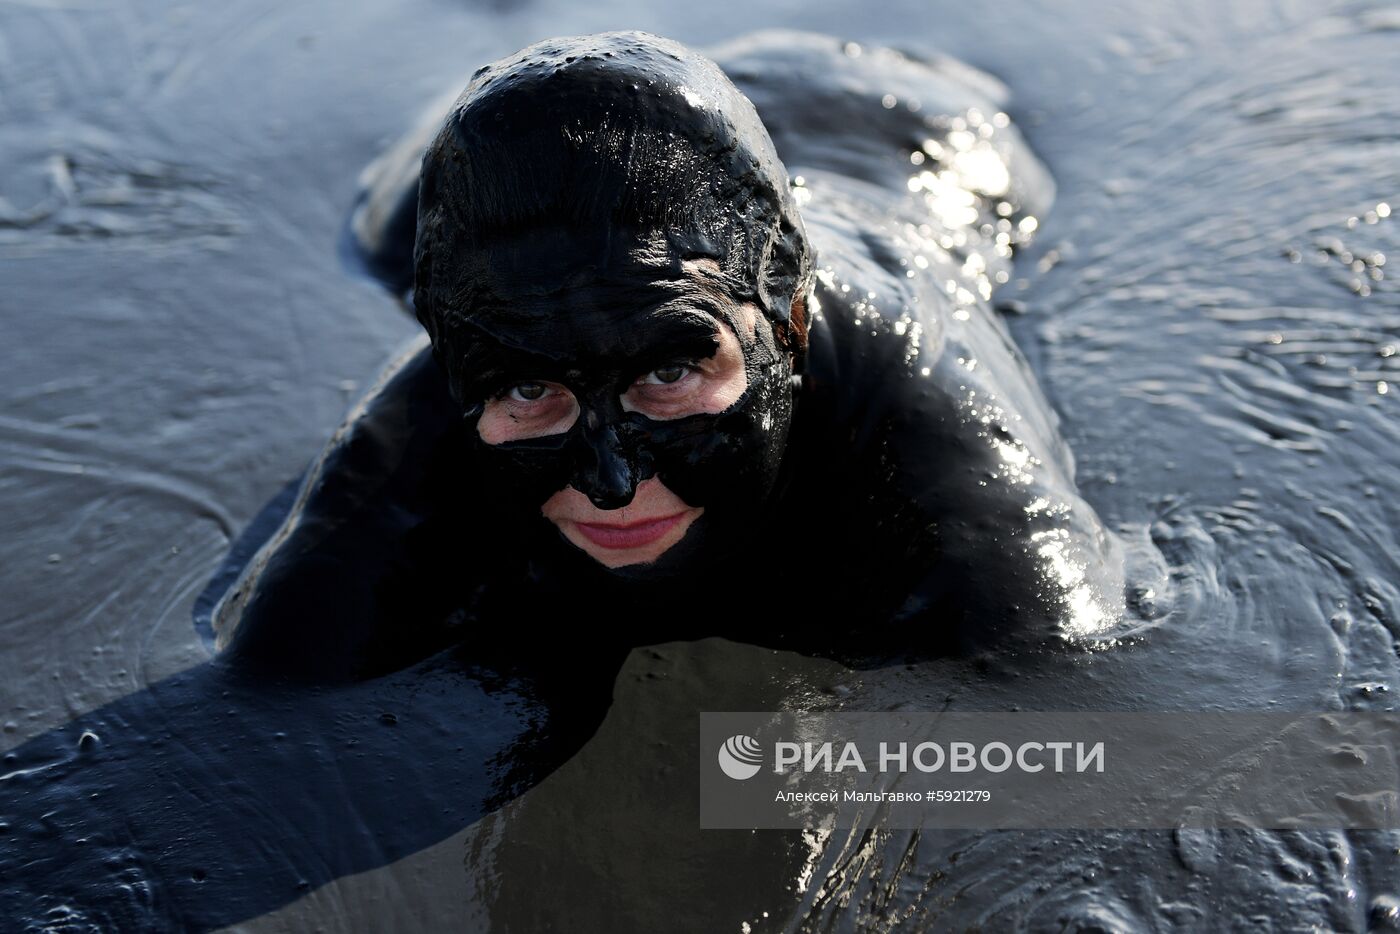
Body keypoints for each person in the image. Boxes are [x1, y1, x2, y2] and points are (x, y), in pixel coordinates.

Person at [214, 31, 1140, 683]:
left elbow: (1088, 717)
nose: (610, 481)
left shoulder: (918, 397)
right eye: (531, 389)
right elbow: (270, 686)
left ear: (789, 321)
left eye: (668, 374)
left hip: (910, 136)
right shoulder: (450, 384)